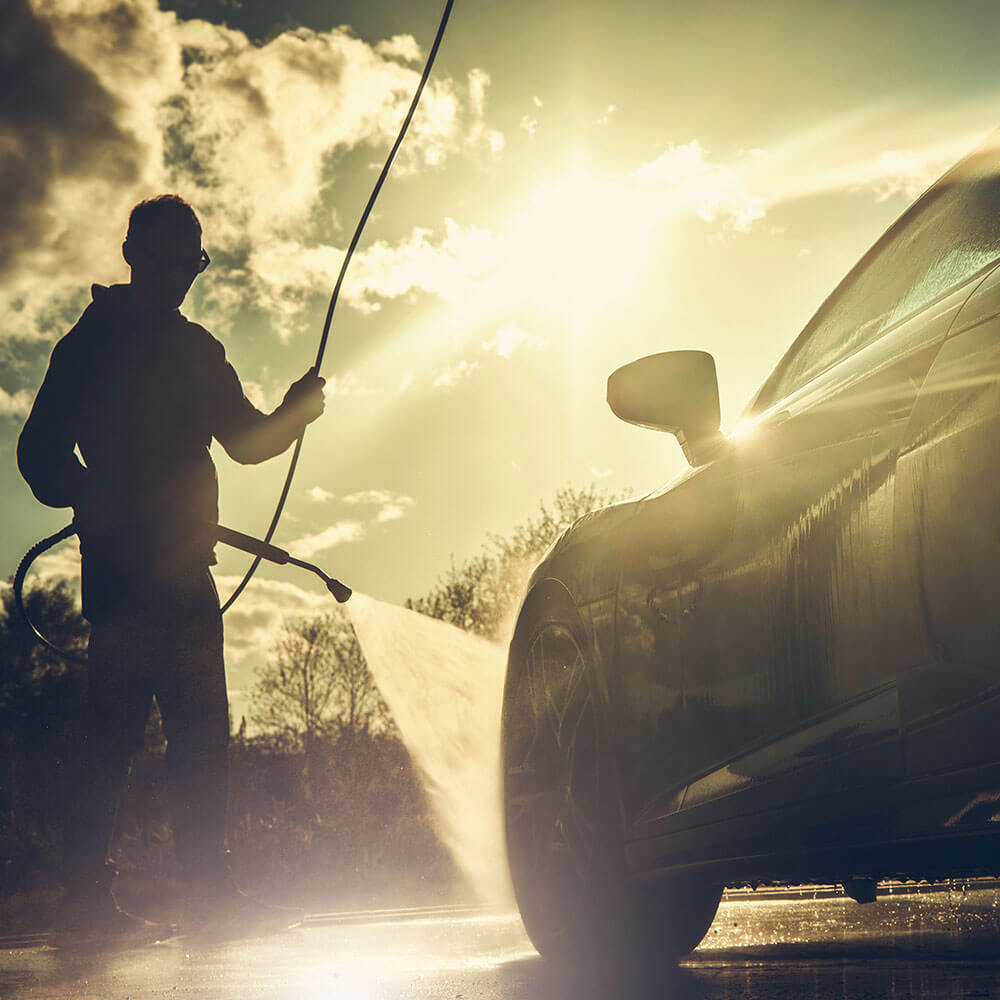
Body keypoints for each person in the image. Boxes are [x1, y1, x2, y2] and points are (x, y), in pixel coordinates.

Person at [17, 194, 326, 943]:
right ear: (130, 255)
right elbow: (37, 453)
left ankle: (208, 892)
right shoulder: (87, 347)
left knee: (200, 739)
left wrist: (295, 410)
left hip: (189, 576)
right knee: (111, 741)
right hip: (123, 582)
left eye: (188, 262)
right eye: (161, 259)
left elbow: (248, 443)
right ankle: (86, 899)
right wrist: (86, 491)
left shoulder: (199, 352)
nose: (175, 276)